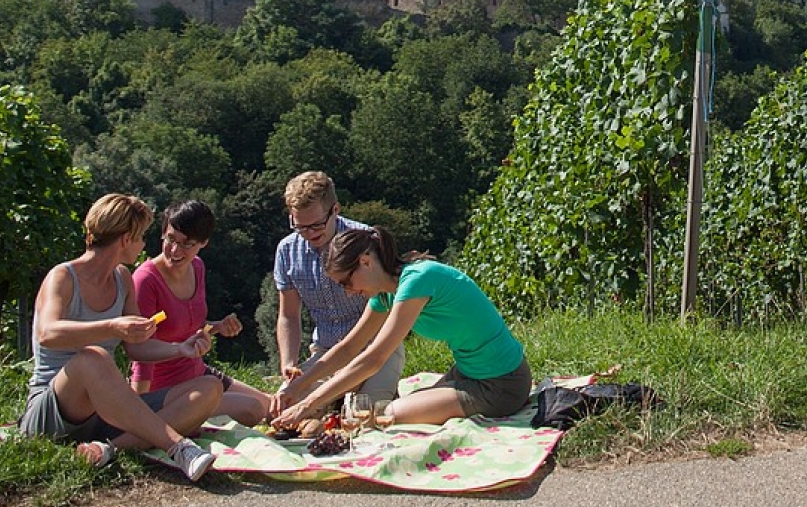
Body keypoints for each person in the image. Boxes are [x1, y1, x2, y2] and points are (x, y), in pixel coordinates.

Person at [18, 193, 221, 482]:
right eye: (140, 238)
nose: (143, 246)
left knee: (209, 388)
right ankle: (178, 446)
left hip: (100, 413)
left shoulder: (122, 279)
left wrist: (180, 348)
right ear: (126, 239)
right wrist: (112, 326)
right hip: (51, 409)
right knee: (93, 357)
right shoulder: (63, 277)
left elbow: (137, 348)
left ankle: (107, 448)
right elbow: (47, 333)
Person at [272, 227, 530, 429]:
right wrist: (296, 387)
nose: (349, 292)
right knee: (391, 411)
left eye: (347, 282)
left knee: (386, 415)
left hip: (501, 385)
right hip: (468, 373)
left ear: (365, 261)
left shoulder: (417, 281)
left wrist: (308, 403)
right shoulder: (386, 294)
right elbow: (348, 348)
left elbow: (373, 359)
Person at [129, 199, 274, 426]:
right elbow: (140, 351)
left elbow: (187, 326)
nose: (175, 250)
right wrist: (140, 410)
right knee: (253, 409)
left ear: (203, 243)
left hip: (200, 373)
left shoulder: (197, 267)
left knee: (271, 406)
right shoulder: (146, 280)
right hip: (168, 388)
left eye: (187, 244)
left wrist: (216, 326)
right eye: (170, 239)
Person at [272, 171, 403, 407]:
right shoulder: (286, 250)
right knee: (284, 404)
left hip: (375, 347)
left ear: (335, 209)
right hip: (325, 353)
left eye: (317, 225)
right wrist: (289, 362)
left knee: (364, 413)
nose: (309, 234)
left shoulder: (365, 241)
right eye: (300, 227)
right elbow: (289, 315)